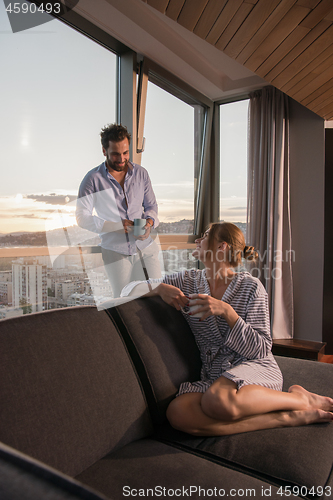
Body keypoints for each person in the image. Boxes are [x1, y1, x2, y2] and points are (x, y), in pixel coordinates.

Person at [122, 222, 333, 435]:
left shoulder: (251, 287)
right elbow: (127, 288)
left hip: (253, 367)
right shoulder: (187, 281)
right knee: (178, 412)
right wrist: (159, 288)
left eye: (204, 235)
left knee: (218, 400)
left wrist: (227, 312)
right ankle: (285, 417)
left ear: (221, 247)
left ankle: (299, 399)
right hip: (215, 375)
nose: (197, 240)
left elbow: (261, 350)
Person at [76, 123, 161, 298]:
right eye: (115, 154)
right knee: (124, 302)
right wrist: (116, 225)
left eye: (125, 153)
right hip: (116, 252)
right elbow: (81, 217)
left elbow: (152, 207)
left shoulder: (141, 174)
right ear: (104, 150)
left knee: (156, 297)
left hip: (146, 247)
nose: (122, 159)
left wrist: (150, 224)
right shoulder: (92, 179)